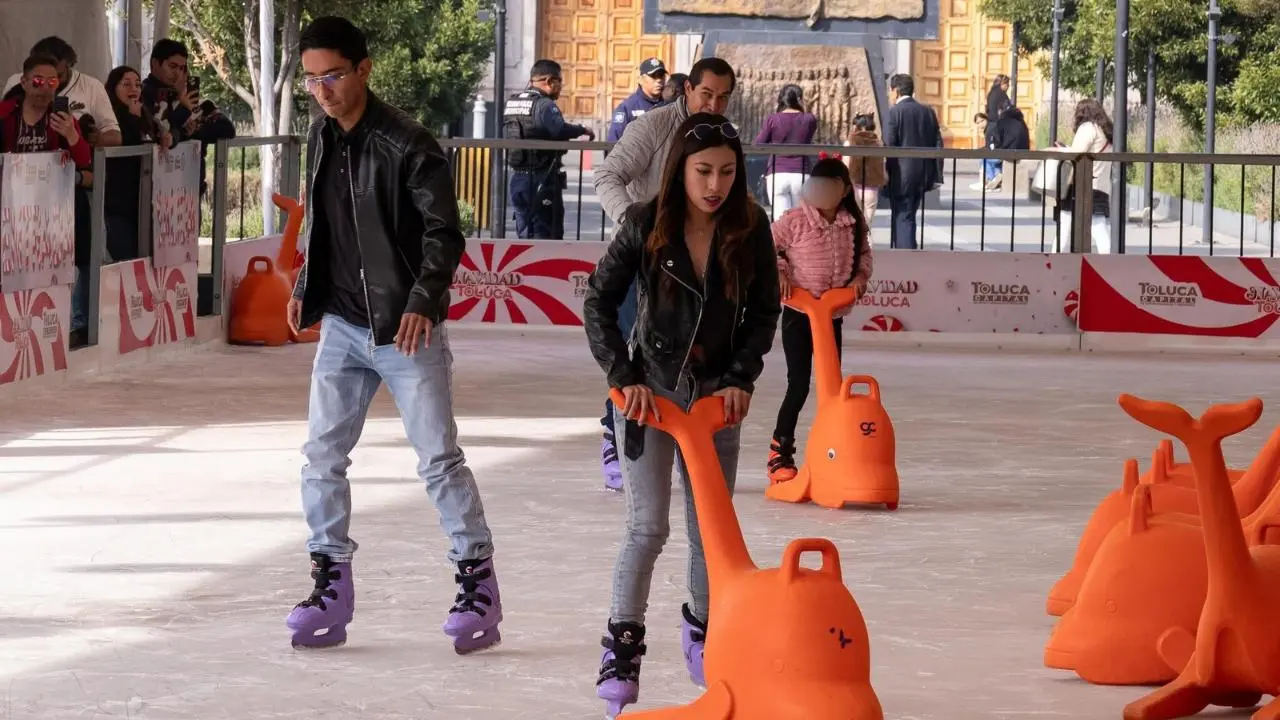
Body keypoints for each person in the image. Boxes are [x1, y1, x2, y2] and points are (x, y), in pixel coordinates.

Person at [285, 15, 503, 655]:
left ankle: (476, 583)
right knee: (321, 456)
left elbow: (444, 233)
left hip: (408, 330)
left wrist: (423, 299)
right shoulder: (321, 135)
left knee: (437, 459)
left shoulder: (409, 143)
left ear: (363, 70)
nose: (322, 91)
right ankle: (330, 579)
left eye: (333, 76)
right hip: (344, 327)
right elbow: (324, 224)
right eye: (311, 80)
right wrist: (306, 285)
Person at [582, 113, 781, 717]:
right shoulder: (647, 224)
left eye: (725, 171)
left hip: (717, 402)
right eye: (703, 171)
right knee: (648, 528)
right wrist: (623, 377)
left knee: (708, 531)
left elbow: (765, 310)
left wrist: (742, 378)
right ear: (680, 171)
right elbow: (598, 300)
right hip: (652, 396)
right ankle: (622, 646)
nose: (715, 184)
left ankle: (704, 629)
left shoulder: (750, 228)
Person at [592, 57, 737, 492]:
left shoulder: (722, 138)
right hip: (647, 266)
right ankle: (615, 439)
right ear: (687, 90)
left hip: (697, 270)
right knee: (638, 358)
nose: (713, 104)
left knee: (693, 354)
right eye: (706, 94)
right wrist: (638, 227)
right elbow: (607, 174)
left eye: (723, 97)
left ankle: (684, 444)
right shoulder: (654, 128)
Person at [766, 158, 873, 482]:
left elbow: (865, 256)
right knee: (798, 384)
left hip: (832, 317)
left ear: (842, 192)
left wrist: (859, 279)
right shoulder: (795, 220)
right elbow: (766, 247)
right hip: (800, 315)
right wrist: (781, 274)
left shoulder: (853, 224)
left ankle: (837, 448)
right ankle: (780, 452)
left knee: (832, 386)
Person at [0, 55, 92, 340]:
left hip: (48, 217)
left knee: (46, 276)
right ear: (25, 82)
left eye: (52, 82)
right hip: (10, 212)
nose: (45, 88)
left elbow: (85, 161)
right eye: (38, 81)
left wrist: (72, 137)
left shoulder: (64, 119)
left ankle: (42, 332)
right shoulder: (5, 114)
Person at [502, 59, 594, 240]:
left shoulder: (512, 103)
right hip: (541, 178)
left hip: (518, 179)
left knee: (525, 233)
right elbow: (559, 129)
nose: (561, 87)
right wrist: (582, 129)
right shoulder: (545, 105)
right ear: (550, 81)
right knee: (546, 235)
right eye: (560, 81)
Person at [103, 65, 173, 263]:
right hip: (118, 203)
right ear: (113, 88)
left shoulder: (145, 114)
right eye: (126, 84)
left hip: (145, 202)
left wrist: (165, 136)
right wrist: (132, 118)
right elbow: (127, 142)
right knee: (126, 261)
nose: (133, 89)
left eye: (137, 84)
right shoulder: (110, 118)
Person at [2, 36, 121, 147]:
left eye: (57, 76)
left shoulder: (92, 86)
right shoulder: (16, 82)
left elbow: (115, 137)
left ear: (69, 66)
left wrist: (94, 139)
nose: (49, 85)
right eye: (40, 80)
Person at [883, 73, 943, 249]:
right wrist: (936, 174)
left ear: (896, 90)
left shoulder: (894, 113)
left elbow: (889, 143)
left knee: (903, 215)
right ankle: (906, 248)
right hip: (923, 173)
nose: (889, 95)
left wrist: (884, 172)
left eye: (890, 91)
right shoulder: (927, 112)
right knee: (909, 214)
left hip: (901, 174)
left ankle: (905, 254)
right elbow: (938, 143)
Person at [1053, 98, 1114, 253]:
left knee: (1065, 227)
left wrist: (1061, 150)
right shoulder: (1105, 131)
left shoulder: (1088, 128)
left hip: (1081, 185)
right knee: (1099, 228)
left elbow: (1076, 153)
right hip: (1100, 186)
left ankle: (1053, 261)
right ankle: (1108, 264)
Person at [755, 83, 818, 219]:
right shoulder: (809, 119)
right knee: (800, 220)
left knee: (780, 220)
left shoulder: (773, 119)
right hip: (801, 173)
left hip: (777, 173)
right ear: (800, 99)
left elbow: (759, 143)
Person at [607, 58, 667, 142]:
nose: (659, 80)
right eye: (653, 76)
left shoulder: (668, 105)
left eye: (661, 76)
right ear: (641, 80)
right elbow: (613, 140)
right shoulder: (627, 107)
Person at [843, 112, 888, 226]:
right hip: (872, 188)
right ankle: (867, 243)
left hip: (854, 187)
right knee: (867, 226)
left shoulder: (850, 142)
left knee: (854, 226)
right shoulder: (879, 143)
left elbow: (845, 166)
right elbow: (883, 166)